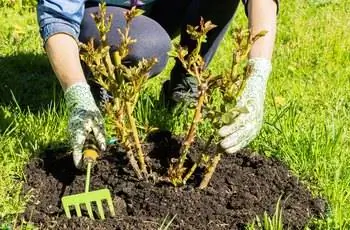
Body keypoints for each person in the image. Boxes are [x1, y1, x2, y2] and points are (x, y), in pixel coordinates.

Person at [37, 0, 278, 168]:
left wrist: (257, 78)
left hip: (160, 9)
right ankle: (99, 78)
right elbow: (57, 17)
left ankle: (186, 85)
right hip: (95, 15)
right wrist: (77, 95)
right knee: (149, 47)